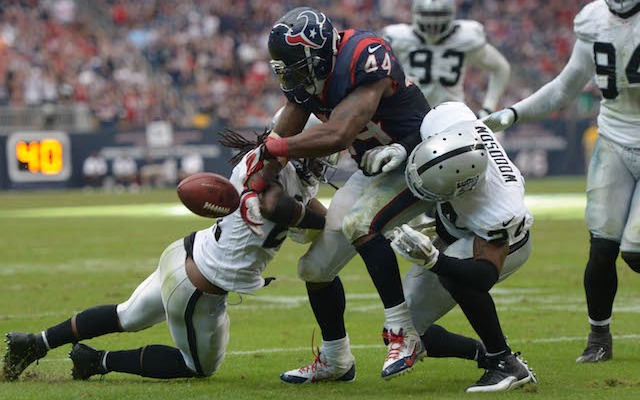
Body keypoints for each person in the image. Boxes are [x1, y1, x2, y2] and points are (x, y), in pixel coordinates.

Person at [1, 127, 333, 382]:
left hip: (186, 252)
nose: (323, 162)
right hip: (198, 288)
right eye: (320, 153)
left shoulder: (266, 162)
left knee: (125, 315)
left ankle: (35, 342)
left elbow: (299, 210)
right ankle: (97, 361)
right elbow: (279, 207)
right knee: (198, 369)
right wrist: (334, 220)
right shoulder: (275, 185)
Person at [242, 7, 433, 382]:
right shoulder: (304, 77)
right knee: (313, 269)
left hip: (418, 159)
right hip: (373, 169)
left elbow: (339, 134)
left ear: (320, 53)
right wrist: (257, 182)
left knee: (360, 223)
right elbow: (288, 125)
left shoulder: (365, 55)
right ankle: (336, 359)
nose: (292, 74)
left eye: (298, 64)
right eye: (286, 67)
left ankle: (403, 332)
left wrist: (276, 151)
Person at [481, 0, 640, 363]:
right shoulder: (595, 19)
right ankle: (599, 336)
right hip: (614, 139)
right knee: (602, 248)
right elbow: (565, 86)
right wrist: (515, 112)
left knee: (636, 251)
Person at [385, 101, 537, 392]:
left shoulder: (499, 208)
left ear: (463, 187)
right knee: (401, 333)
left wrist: (433, 260)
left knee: (455, 274)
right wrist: (402, 150)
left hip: (509, 246)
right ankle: (483, 353)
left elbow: (484, 275)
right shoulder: (448, 123)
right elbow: (435, 116)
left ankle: (504, 362)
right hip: (464, 232)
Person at [381, 0, 510, 118]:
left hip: (452, 115)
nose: (432, 21)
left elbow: (500, 68)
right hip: (410, 114)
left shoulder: (464, 38)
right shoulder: (399, 38)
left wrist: (488, 108)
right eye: (426, 14)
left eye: (439, 14)